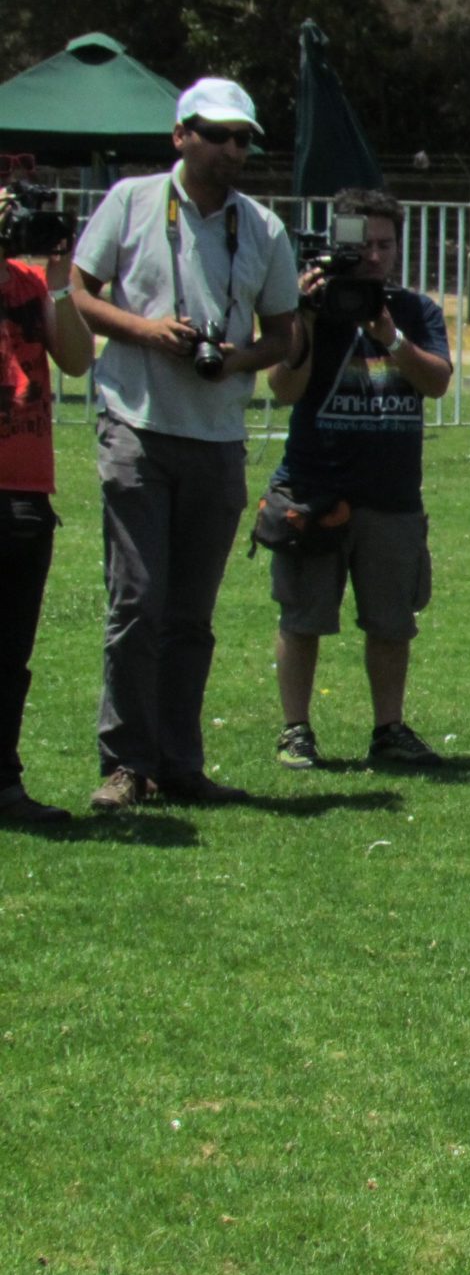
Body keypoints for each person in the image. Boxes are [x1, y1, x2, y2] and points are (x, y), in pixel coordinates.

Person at [69, 78, 301, 812]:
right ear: (182, 134)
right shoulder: (132, 201)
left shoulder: (262, 227)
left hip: (216, 434)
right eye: (220, 134)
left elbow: (285, 334)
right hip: (135, 421)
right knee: (137, 599)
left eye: (245, 138)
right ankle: (124, 765)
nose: (235, 148)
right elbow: (80, 288)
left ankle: (178, 763)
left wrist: (231, 359)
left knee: (191, 616)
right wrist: (145, 332)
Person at [266, 188, 453, 771]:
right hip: (315, 484)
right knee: (303, 617)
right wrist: (302, 314)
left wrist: (389, 335)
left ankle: (388, 728)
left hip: (391, 492)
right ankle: (296, 729)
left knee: (392, 622)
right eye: (362, 244)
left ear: (398, 247)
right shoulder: (315, 308)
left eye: (384, 244)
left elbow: (438, 382)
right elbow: (283, 387)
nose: (373, 257)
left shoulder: (416, 310)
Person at [0, 192, 96, 823]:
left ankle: (4, 783)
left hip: (27, 490)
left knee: (10, 652)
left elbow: (78, 359)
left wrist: (60, 282)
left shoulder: (32, 284)